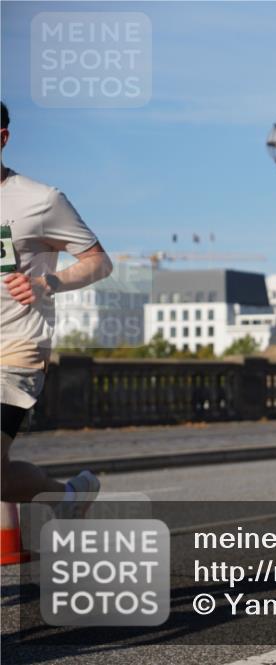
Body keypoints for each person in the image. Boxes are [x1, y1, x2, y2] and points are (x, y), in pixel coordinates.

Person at [1, 101, 113, 515]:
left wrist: (47, 282)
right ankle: (67, 498)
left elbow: (100, 262)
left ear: (2, 138)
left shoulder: (41, 200)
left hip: (17, 347)